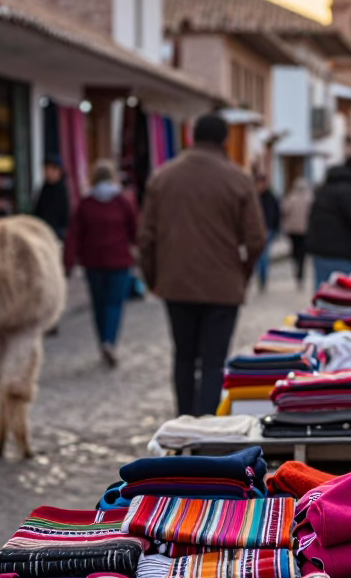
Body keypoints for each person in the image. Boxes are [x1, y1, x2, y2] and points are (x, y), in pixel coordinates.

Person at [138, 113, 266, 417]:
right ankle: (206, 427)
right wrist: (241, 274)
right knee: (213, 362)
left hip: (176, 283)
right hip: (223, 287)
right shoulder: (237, 179)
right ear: (224, 141)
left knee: (183, 358)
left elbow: (145, 238)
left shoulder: (162, 177)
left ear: (191, 137)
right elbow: (256, 238)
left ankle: (183, 420)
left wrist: (153, 278)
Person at [64, 161, 137, 366]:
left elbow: (74, 235)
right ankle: (109, 341)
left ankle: (102, 341)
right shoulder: (123, 202)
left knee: (98, 305)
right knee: (114, 304)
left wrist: (68, 263)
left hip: (93, 262)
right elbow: (135, 230)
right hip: (119, 261)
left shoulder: (86, 204)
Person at [306, 156, 351, 287]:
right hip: (341, 253)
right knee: (343, 296)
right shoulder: (348, 191)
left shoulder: (324, 189)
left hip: (320, 251)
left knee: (323, 295)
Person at [282, 177, 313, 287]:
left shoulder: (291, 198)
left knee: (295, 249)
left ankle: (296, 265)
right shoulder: (309, 199)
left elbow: (284, 211)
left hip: (292, 229)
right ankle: (300, 269)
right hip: (305, 229)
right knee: (302, 251)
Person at [254, 173, 281, 291]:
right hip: (255, 229)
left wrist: (275, 228)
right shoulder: (253, 196)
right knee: (257, 254)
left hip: (267, 229)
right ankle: (260, 275)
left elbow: (276, 213)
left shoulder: (270, 197)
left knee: (263, 255)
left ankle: (262, 277)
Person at [33, 156, 69, 241]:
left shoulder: (63, 190)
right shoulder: (44, 189)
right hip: (42, 233)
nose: (49, 172)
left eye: (52, 169)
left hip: (58, 235)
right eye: (46, 169)